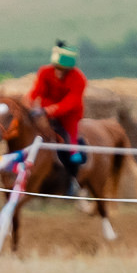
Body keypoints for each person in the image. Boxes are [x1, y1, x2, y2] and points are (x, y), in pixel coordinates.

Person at [29, 40, 88, 179]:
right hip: (45, 110)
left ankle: (74, 175)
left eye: (62, 69)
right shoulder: (44, 72)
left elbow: (70, 102)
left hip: (69, 114)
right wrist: (29, 102)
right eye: (57, 67)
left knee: (70, 139)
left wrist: (48, 110)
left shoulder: (79, 79)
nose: (58, 72)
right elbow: (36, 90)